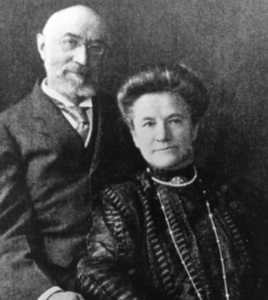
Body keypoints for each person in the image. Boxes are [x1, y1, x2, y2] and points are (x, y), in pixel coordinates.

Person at [0, 5, 135, 300]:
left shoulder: (122, 116)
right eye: (70, 43)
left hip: (115, 283)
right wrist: (48, 294)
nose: (83, 59)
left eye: (96, 47)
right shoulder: (7, 127)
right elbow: (1, 237)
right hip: (39, 284)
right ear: (42, 46)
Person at [77, 65, 268, 300]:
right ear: (135, 136)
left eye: (174, 121)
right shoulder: (123, 201)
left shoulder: (238, 194)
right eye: (148, 124)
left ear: (194, 128)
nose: (162, 136)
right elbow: (96, 270)